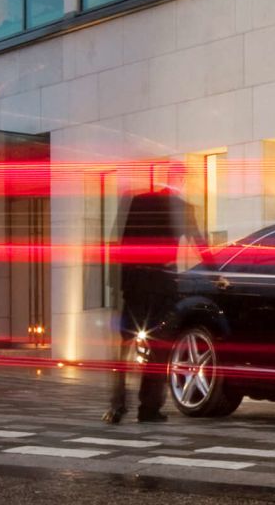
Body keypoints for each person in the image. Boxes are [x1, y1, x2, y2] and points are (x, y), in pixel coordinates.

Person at [104, 161, 205, 424]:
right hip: (162, 283)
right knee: (159, 347)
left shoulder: (140, 202)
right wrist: (220, 272)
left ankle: (117, 405)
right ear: (182, 180)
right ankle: (148, 408)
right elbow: (201, 246)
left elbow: (124, 244)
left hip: (136, 283)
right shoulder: (185, 208)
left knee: (125, 345)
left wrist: (123, 284)